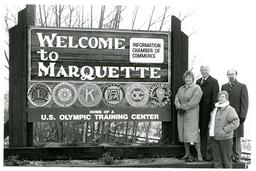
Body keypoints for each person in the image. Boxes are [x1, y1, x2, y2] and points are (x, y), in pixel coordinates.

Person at [175, 70, 203, 162]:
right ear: (184, 78)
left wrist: (184, 108)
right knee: (184, 133)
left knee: (193, 133)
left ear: (192, 78)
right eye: (186, 77)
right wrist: (179, 107)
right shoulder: (181, 88)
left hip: (192, 114)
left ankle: (199, 155)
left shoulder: (197, 88)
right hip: (181, 114)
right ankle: (187, 153)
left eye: (189, 77)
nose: (188, 79)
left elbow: (195, 101)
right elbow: (176, 99)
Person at [221, 69, 249, 162]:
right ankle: (228, 156)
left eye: (232, 74)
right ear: (227, 76)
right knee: (228, 137)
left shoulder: (242, 86)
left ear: (236, 75)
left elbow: (245, 102)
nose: (231, 76)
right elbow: (221, 101)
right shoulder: (224, 86)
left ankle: (237, 157)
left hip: (237, 117)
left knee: (236, 137)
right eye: (229, 74)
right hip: (226, 116)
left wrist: (243, 116)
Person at [209, 91, 239, 168]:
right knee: (217, 160)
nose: (220, 98)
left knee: (227, 161)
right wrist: (210, 127)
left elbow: (236, 122)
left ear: (226, 98)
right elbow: (211, 120)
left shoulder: (230, 109)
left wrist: (225, 130)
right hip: (214, 137)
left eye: (223, 97)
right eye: (219, 97)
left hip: (225, 138)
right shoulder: (215, 109)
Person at [196, 65, 219, 161]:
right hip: (198, 111)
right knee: (200, 132)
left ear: (209, 70)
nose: (204, 71)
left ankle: (208, 155)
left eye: (206, 70)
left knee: (207, 132)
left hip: (208, 111)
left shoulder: (214, 81)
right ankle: (200, 153)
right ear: (200, 71)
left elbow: (215, 98)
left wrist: (212, 111)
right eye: (202, 70)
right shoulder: (198, 82)